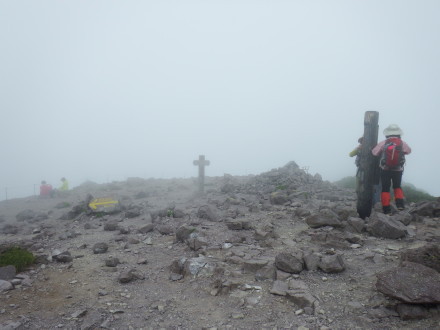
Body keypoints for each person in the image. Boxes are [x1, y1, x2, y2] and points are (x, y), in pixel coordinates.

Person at [372, 124, 411, 214]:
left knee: (385, 188)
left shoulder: (384, 142)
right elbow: (408, 151)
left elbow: (374, 153)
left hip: (385, 169)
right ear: (398, 133)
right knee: (397, 186)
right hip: (398, 169)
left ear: (387, 134)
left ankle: (386, 209)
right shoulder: (401, 143)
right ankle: (400, 205)